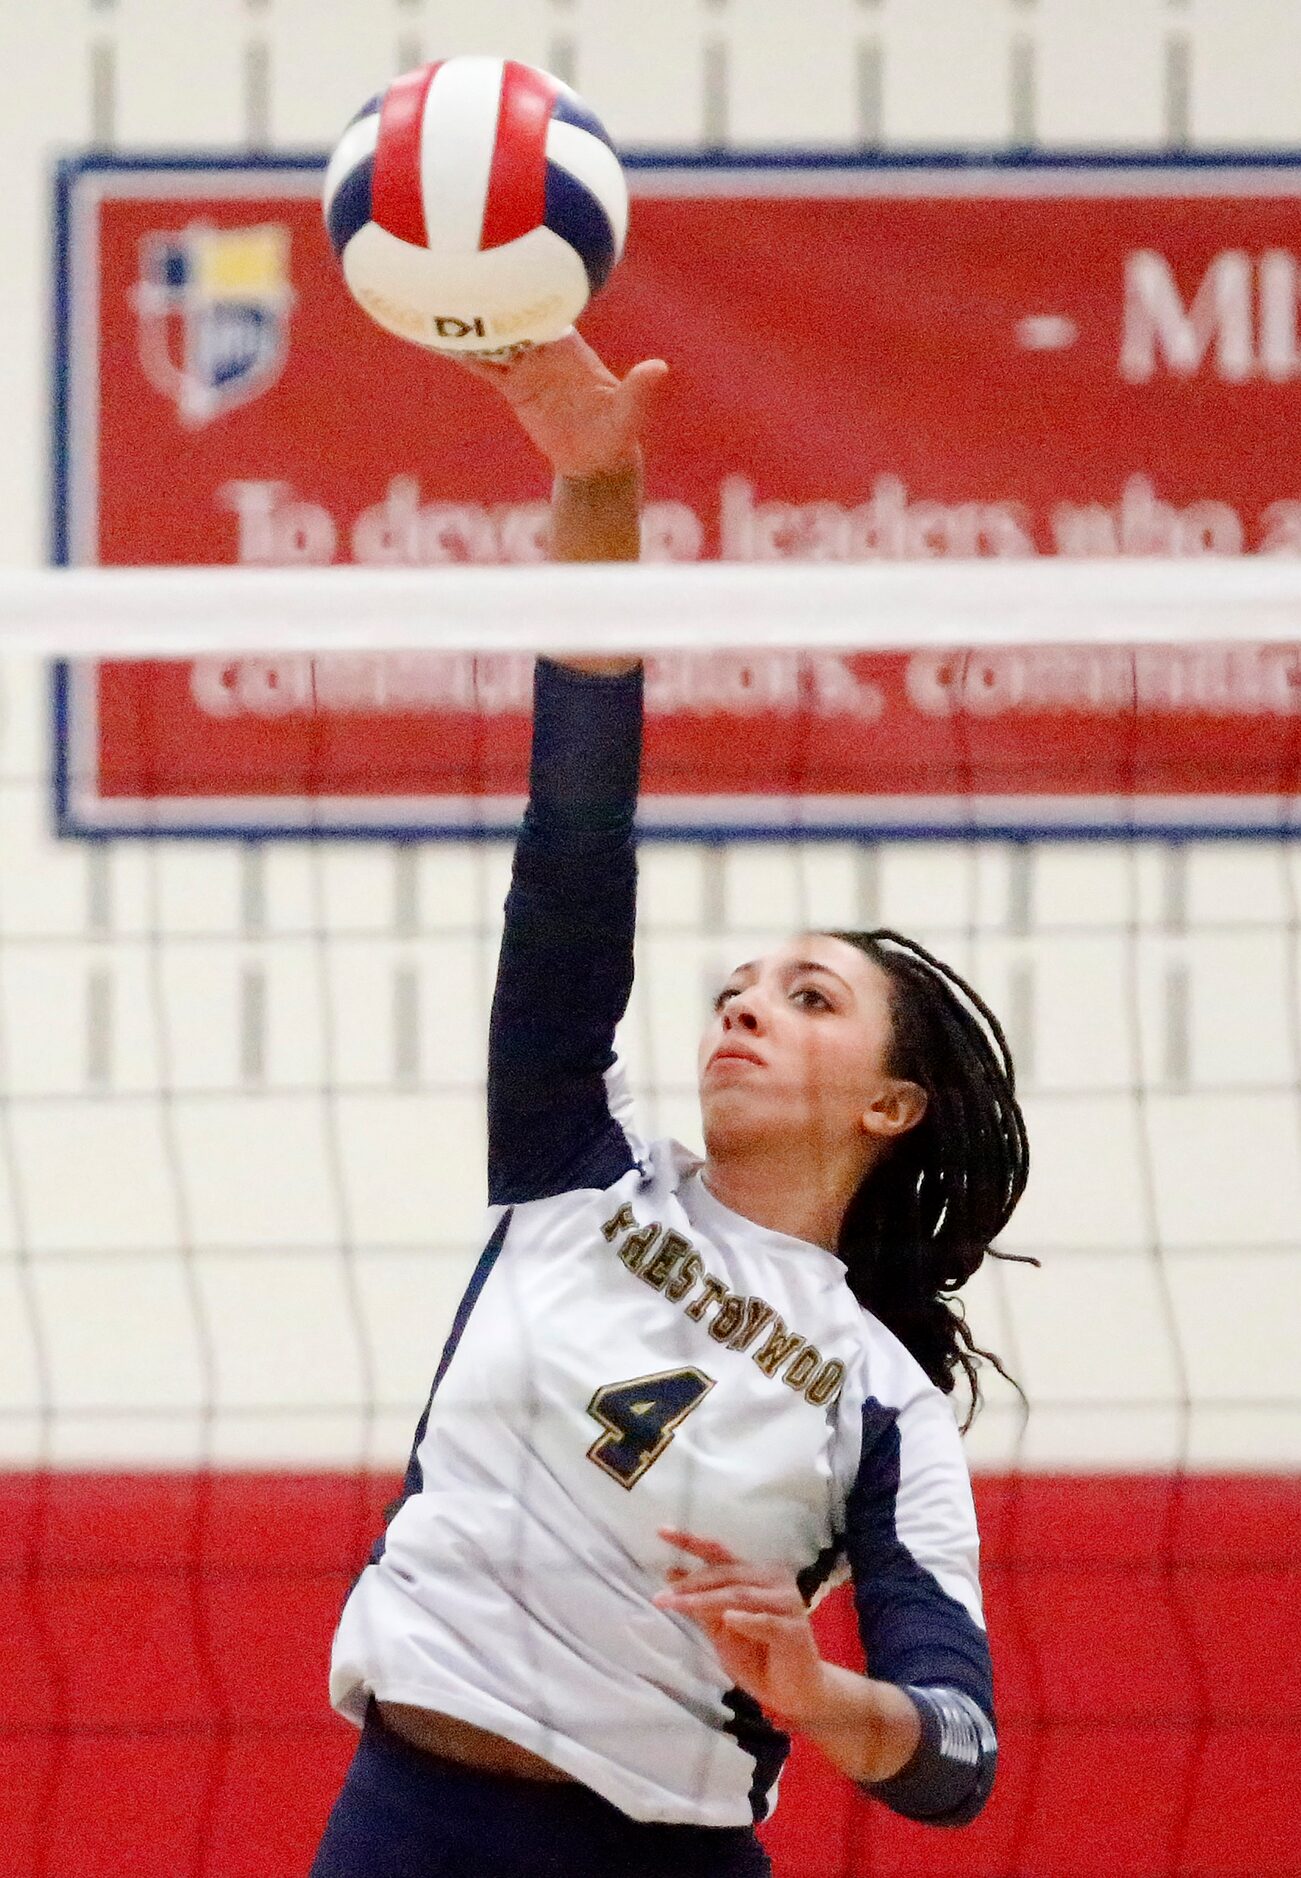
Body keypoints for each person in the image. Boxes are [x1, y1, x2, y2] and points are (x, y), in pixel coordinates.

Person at [310, 334, 1030, 1878]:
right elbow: (577, 827)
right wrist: (594, 483)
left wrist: (821, 1691)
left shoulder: (877, 1395)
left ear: (894, 1105)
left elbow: (957, 1751)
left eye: (809, 996)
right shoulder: (574, 1163)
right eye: (741, 984)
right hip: (406, 1823)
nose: (743, 1003)